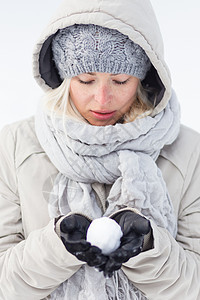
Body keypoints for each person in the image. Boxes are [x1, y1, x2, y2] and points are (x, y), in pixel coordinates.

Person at [0, 0, 200, 299]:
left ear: (145, 77)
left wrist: (148, 247)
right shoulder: (15, 146)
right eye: (86, 80)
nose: (102, 99)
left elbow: (194, 287)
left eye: (120, 80)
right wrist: (59, 245)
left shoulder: (188, 151)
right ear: (64, 78)